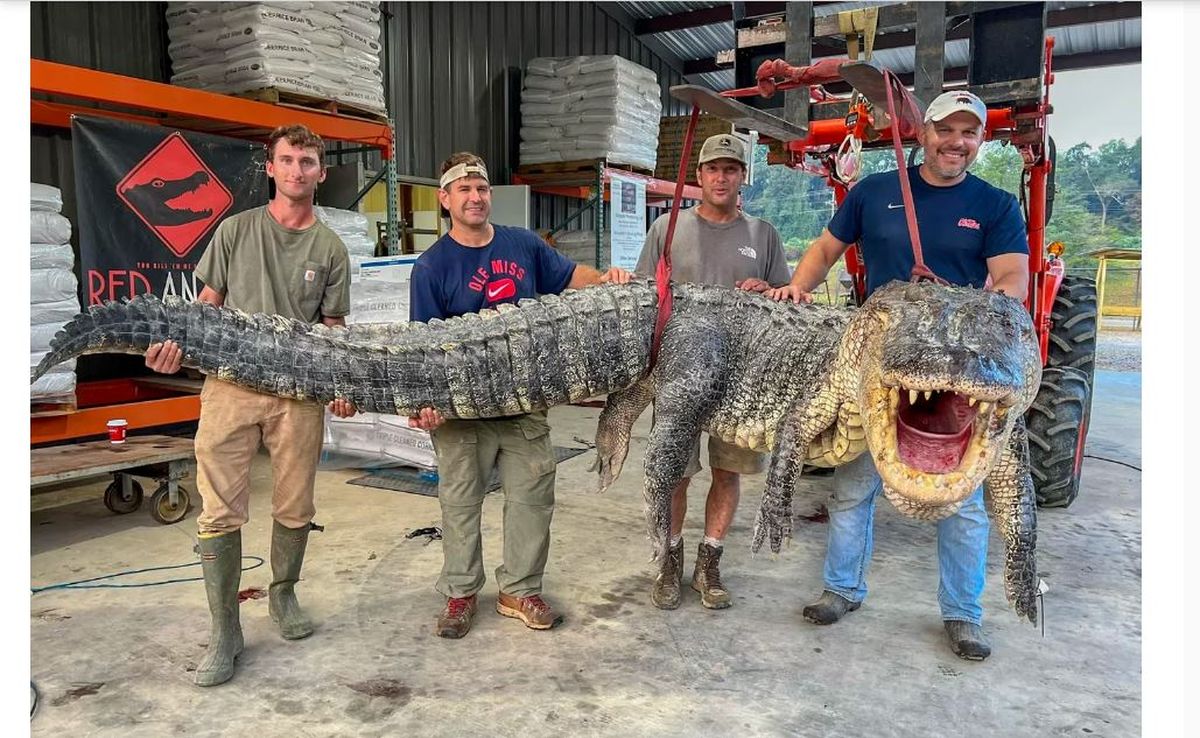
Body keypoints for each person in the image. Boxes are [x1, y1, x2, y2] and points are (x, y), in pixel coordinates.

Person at [764, 90, 1030, 661]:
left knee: (963, 502)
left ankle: (963, 614)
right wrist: (797, 288)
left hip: (956, 370)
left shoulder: (996, 204)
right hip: (881, 366)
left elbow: (1012, 278)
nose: (956, 142)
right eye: (945, 130)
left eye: (969, 133)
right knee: (853, 484)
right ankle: (841, 589)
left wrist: (985, 310)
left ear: (980, 141)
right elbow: (825, 249)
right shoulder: (875, 191)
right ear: (923, 133)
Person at [144, 124, 357, 686]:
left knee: (295, 504)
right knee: (218, 509)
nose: (296, 170)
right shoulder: (235, 231)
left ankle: (283, 594)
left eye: (307, 162)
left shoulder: (330, 249)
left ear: (321, 172)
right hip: (230, 389)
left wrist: (341, 383)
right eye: (287, 160)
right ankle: (225, 629)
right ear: (270, 168)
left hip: (298, 394)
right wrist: (175, 349)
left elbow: (332, 329)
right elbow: (205, 309)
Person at [408, 152, 632, 639]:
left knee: (532, 499)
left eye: (481, 188)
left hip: (524, 404)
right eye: (464, 189)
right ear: (445, 199)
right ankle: (460, 593)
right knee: (460, 504)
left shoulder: (524, 244)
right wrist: (425, 404)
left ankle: (520, 589)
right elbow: (424, 346)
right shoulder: (431, 267)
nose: (475, 197)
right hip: (462, 412)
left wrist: (606, 278)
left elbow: (570, 277)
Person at [635, 133, 791, 611]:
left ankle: (710, 561)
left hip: (742, 380)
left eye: (731, 169)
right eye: (713, 169)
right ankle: (669, 560)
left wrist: (768, 291)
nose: (721, 178)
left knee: (728, 472)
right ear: (699, 175)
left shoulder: (763, 234)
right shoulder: (668, 229)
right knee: (675, 473)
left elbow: (786, 303)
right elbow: (643, 298)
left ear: (743, 176)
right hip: (678, 374)